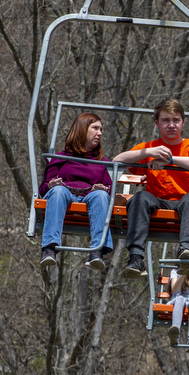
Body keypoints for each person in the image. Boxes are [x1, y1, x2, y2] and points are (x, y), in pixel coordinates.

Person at [115, 99, 189, 279]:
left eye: (176, 120)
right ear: (157, 124)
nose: (171, 125)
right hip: (156, 203)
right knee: (139, 197)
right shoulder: (150, 147)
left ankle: (186, 252)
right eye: (166, 120)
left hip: (185, 204)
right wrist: (149, 152)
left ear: (183, 123)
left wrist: (171, 160)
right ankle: (136, 258)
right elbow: (117, 160)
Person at [38, 113, 113, 270]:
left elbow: (110, 189)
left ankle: (97, 250)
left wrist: (104, 189)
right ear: (82, 129)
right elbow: (43, 189)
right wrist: (51, 185)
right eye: (95, 128)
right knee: (58, 191)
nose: (100, 133)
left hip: (90, 196)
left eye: (101, 129)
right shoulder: (60, 157)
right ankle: (49, 248)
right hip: (65, 194)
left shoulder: (103, 162)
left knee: (101, 195)